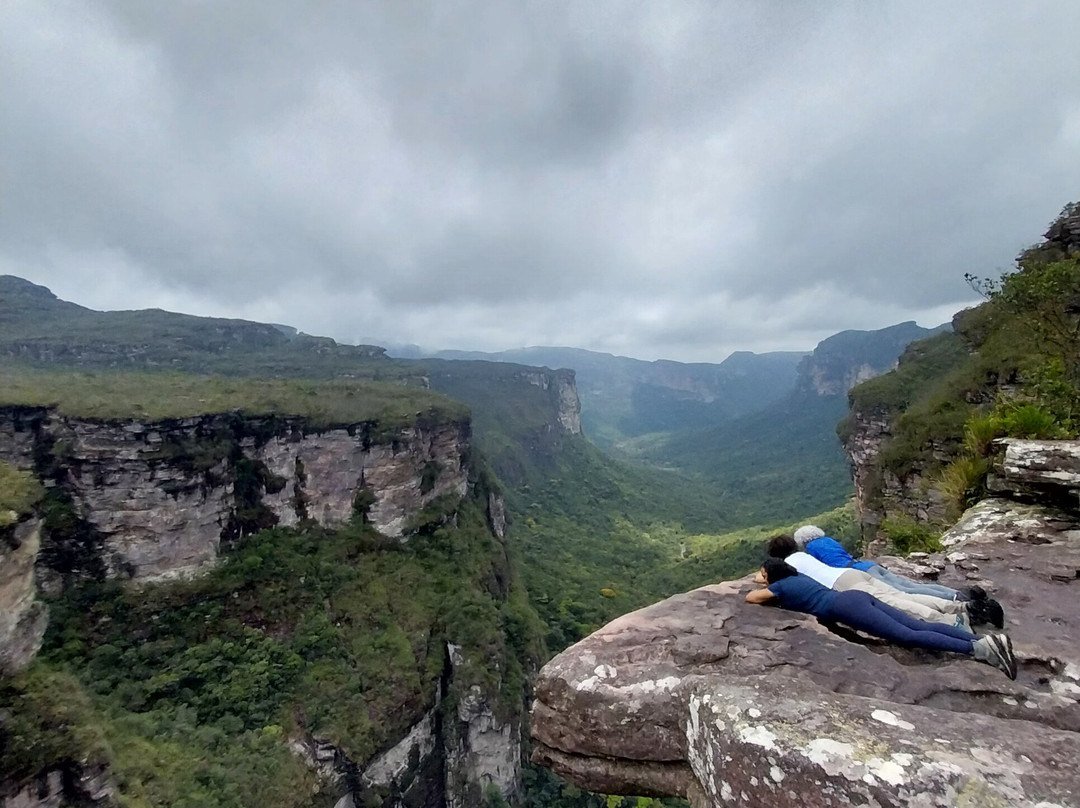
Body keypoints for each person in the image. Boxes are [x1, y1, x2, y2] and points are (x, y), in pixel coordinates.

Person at [746, 558, 1016, 679]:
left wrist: (762, 579)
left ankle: (979, 649)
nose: (759, 576)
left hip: (847, 608)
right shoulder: (797, 577)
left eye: (762, 572)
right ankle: (983, 640)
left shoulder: (780, 587)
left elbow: (752, 598)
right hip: (855, 596)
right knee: (917, 625)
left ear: (771, 576)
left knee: (906, 635)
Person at [794, 525, 1005, 629]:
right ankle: (960, 595)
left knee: (907, 594)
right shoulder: (828, 540)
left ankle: (961, 607)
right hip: (866, 565)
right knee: (909, 584)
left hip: (855, 574)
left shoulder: (811, 549)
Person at [766, 534, 976, 629]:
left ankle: (951, 621)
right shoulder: (806, 556)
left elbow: (768, 581)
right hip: (854, 574)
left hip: (843, 586)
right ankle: (961, 607)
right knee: (902, 595)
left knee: (898, 605)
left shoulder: (788, 566)